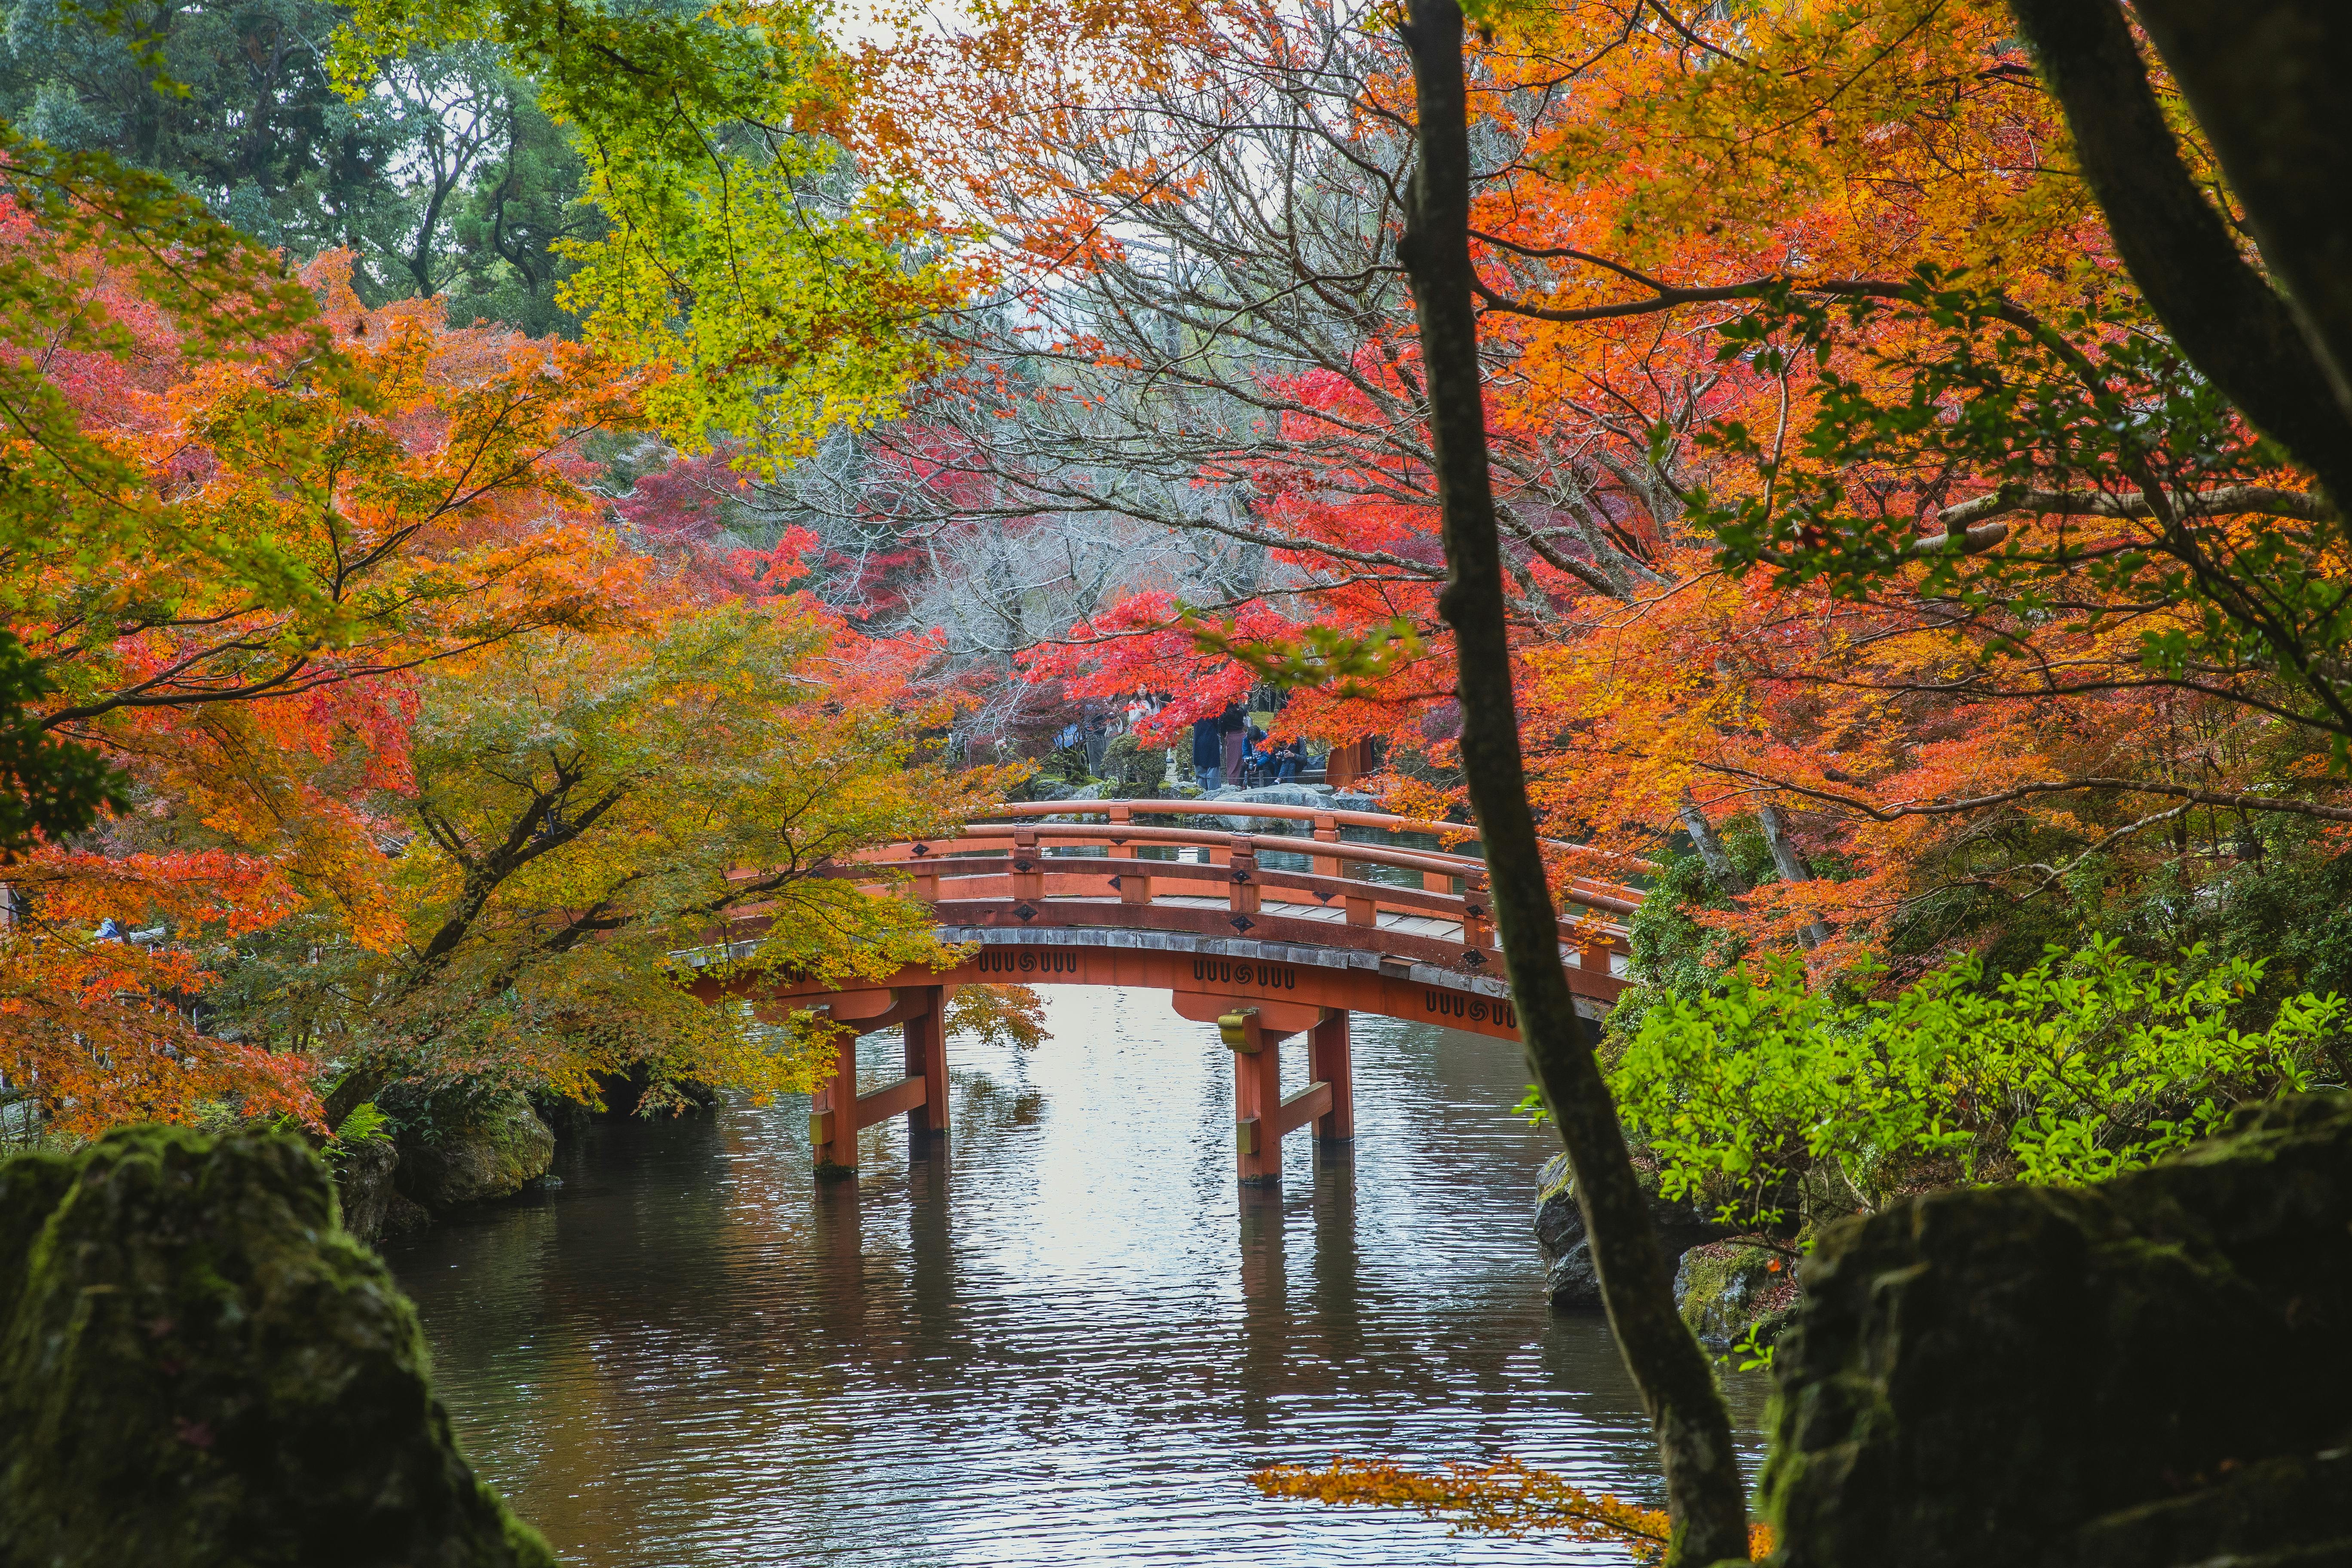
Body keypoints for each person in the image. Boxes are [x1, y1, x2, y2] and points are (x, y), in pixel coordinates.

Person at [1218, 703, 1248, 792]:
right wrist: (1246, 702)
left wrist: (1225, 736)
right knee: (1243, 762)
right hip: (1243, 736)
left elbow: (1222, 729)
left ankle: (1233, 784)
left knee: (1232, 763)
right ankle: (1243, 783)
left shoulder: (1224, 714)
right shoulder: (1240, 712)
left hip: (1231, 737)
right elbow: (1245, 710)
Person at [1191, 713, 1223, 792]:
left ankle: (1201, 796)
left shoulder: (1195, 707)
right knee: (1213, 770)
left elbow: (1192, 723)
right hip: (1211, 738)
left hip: (1198, 739)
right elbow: (1217, 724)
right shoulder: (1212, 707)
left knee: (1200, 771)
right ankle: (1214, 796)